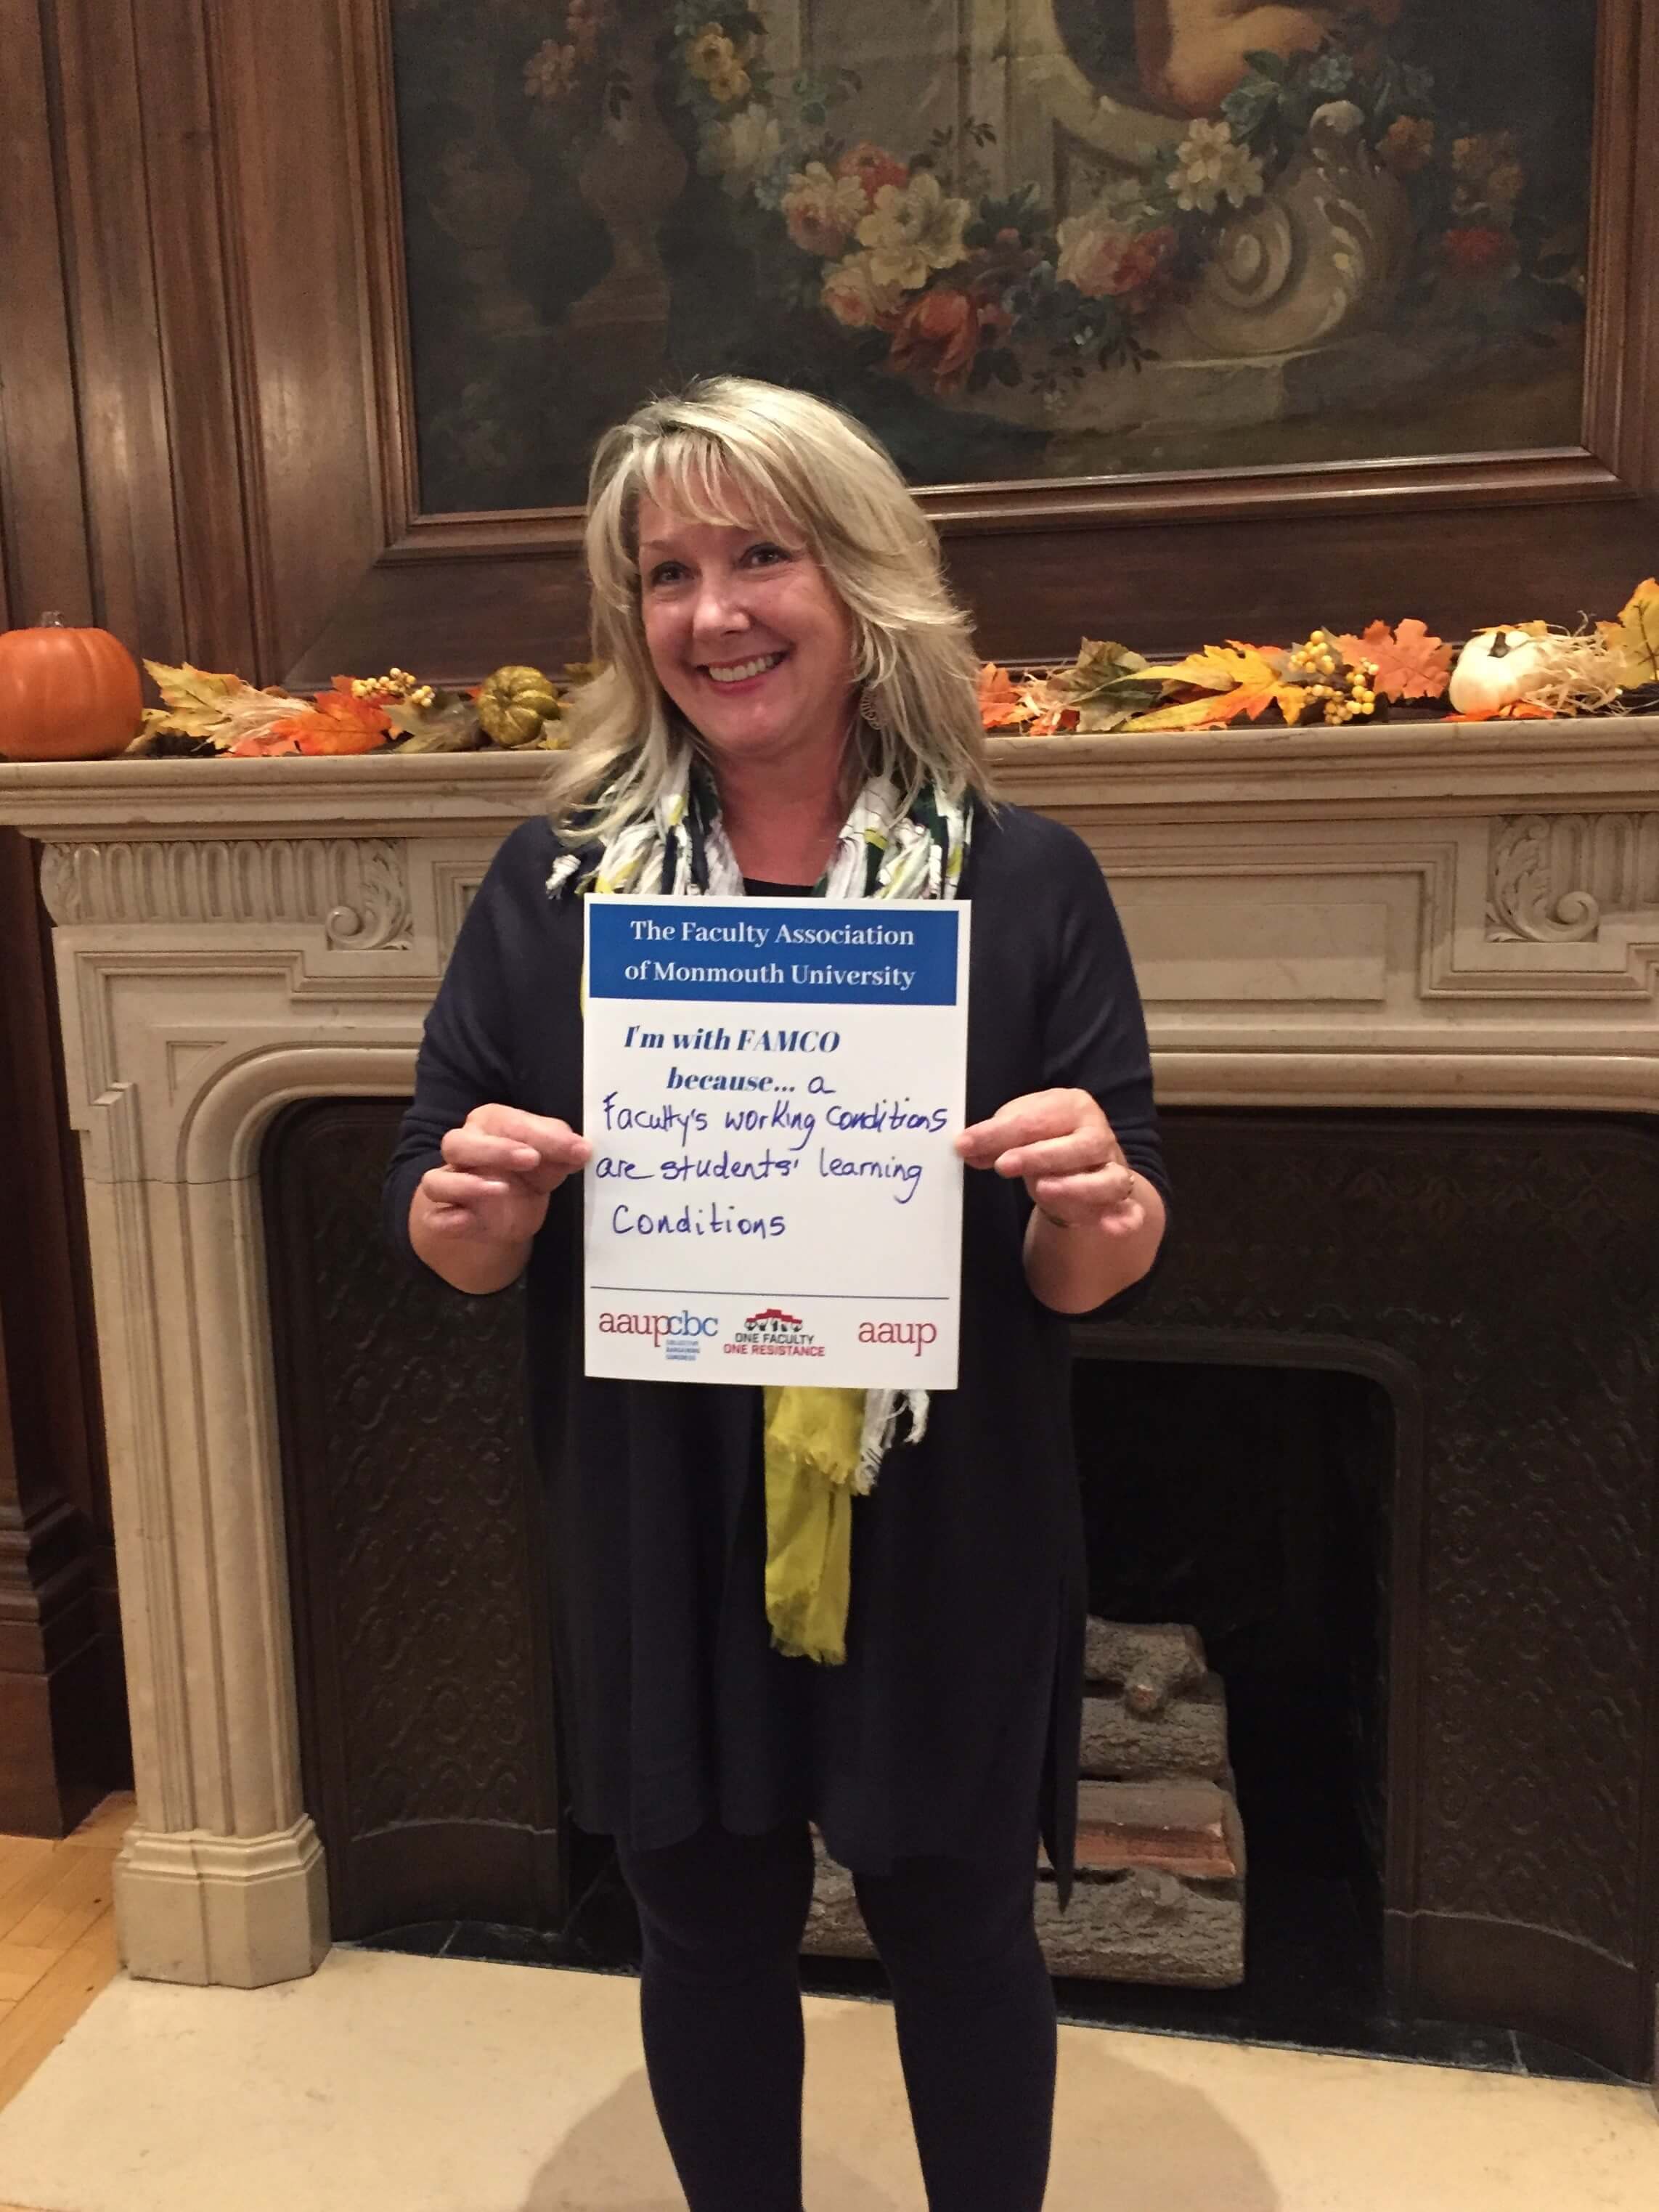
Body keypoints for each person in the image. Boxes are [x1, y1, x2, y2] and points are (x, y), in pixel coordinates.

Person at [383, 376, 1168, 2211]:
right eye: (667, 574)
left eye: (761, 558)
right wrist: (474, 1202)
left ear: (862, 579)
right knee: (705, 1922)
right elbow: (449, 1227)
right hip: (659, 1497)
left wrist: (1103, 1203)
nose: (714, 613)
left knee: (960, 1923)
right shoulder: (559, 888)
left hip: (944, 1503)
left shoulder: (1022, 882)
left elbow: (1089, 1263)